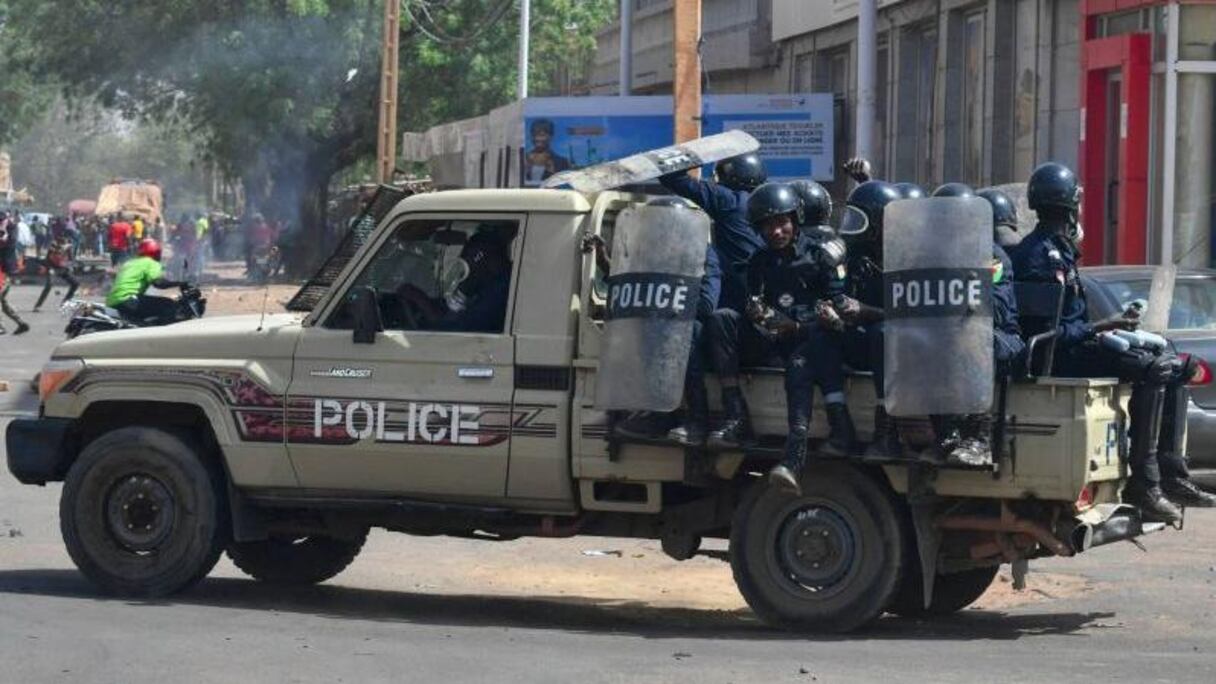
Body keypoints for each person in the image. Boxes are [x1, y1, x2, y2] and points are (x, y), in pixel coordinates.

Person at [1009, 162, 1216, 522]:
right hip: (1057, 356)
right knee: (1155, 368)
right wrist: (1103, 326)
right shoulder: (1037, 256)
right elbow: (1044, 337)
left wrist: (1111, 329)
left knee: (1174, 363)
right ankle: (1145, 483)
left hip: (1072, 346)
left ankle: (1172, 472)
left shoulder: (1059, 249)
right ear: (1071, 205)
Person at [742, 183, 855, 492]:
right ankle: (841, 429)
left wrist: (820, 318)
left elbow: (840, 303)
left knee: (804, 361)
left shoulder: (820, 255)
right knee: (803, 357)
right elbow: (754, 306)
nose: (776, 231)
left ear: (795, 219)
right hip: (786, 342)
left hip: (825, 339)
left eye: (781, 223)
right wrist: (770, 319)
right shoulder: (759, 263)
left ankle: (794, 458)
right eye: (768, 226)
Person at [661, 154, 768, 448]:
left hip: (738, 327)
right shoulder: (767, 207)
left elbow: (671, 178)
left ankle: (699, 419)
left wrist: (690, 154)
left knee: (691, 330)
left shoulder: (729, 200)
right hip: (764, 328)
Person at [786, 178, 856, 454]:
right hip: (838, 328)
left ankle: (803, 439)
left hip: (816, 329)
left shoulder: (803, 246)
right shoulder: (839, 241)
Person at [834, 180, 903, 456]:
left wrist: (866, 312)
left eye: (859, 219)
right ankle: (837, 423)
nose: (851, 226)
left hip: (905, 349)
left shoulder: (910, 258)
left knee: (883, 332)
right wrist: (837, 314)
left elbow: (914, 317)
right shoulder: (859, 259)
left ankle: (888, 432)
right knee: (818, 337)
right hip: (866, 344)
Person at [396, 228, 514, 333]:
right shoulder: (488, 283)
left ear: (486, 257)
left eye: (469, 256)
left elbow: (456, 330)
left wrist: (421, 301)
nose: (465, 261)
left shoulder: (500, 292)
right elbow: (456, 307)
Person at [106, 239, 188, 325]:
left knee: (150, 305)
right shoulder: (150, 263)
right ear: (155, 252)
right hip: (128, 300)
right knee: (169, 305)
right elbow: (158, 283)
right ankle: (162, 334)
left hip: (112, 302)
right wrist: (179, 283)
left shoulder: (130, 263)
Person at [0, 212, 30, 335]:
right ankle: (21, 323)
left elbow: (10, 244)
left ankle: (1, 327)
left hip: (4, 269)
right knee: (3, 302)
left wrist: (2, 235)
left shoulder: (11, 228)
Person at [33, 233, 80, 312]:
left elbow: (71, 259)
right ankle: (38, 306)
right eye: (62, 239)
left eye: (65, 239)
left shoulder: (68, 247)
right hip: (53, 268)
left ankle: (65, 303)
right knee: (49, 285)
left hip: (63, 268)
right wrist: (49, 268)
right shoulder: (54, 245)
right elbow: (47, 258)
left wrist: (69, 266)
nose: (64, 241)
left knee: (75, 283)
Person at [524, 119, 571, 185]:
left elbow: (565, 186)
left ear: (551, 137)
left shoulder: (562, 162)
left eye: (542, 135)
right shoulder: (523, 160)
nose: (538, 138)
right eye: (535, 134)